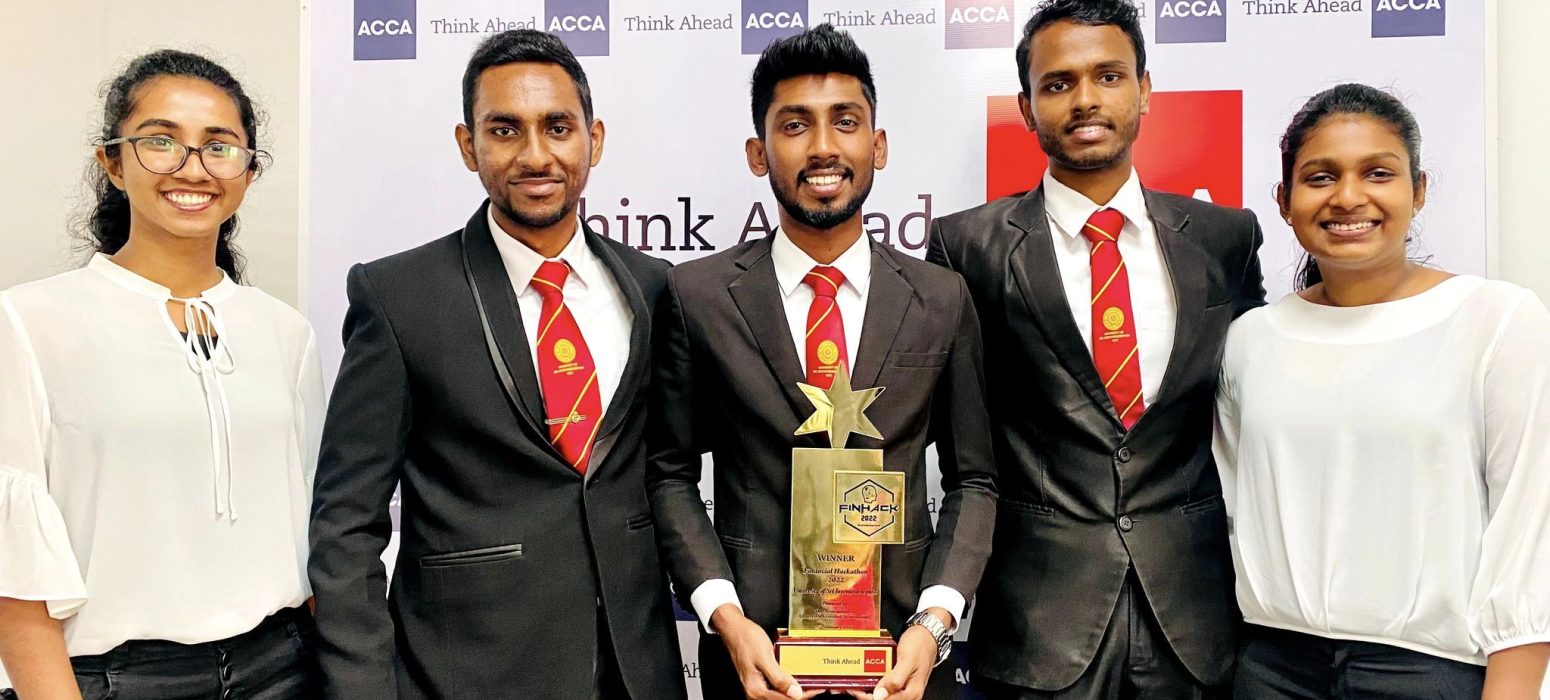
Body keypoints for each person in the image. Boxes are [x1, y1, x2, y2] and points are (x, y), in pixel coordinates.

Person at [306, 29, 685, 700]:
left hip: (636, 671)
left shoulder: (654, 286)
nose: (535, 155)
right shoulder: (398, 298)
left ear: (594, 139)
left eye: (558, 127)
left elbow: (665, 471)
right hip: (466, 675)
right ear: (468, 145)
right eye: (505, 130)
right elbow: (346, 524)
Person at [926, 0, 1267, 696]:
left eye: (1109, 76)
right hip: (1038, 622)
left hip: (1194, 621)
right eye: (1058, 84)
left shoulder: (1226, 238)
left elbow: (1256, 405)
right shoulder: (966, 247)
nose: (1085, 99)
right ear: (1027, 108)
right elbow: (955, 435)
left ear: (1145, 90)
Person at [648, 24, 997, 700]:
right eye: (794, 125)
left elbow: (975, 480)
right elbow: (669, 475)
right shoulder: (698, 297)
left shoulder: (941, 298)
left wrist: (935, 622)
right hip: (755, 663)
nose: (823, 147)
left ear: (878, 144)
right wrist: (725, 618)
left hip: (903, 666)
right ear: (758, 153)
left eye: (845, 121)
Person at [0, 50, 324, 699]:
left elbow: (319, 533)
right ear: (113, 163)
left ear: (249, 171)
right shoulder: (27, 323)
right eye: (161, 141)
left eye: (219, 146)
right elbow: (14, 569)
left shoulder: (286, 332)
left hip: (284, 671)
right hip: (114, 680)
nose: (192, 168)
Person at [1213, 82, 1550, 699]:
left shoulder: (1496, 321)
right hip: (1269, 668)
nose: (1348, 197)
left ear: (1418, 190)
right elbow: (1233, 512)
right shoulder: (1250, 340)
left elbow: (1531, 529)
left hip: (1431, 671)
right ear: (1283, 201)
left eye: (1377, 173)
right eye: (1320, 177)